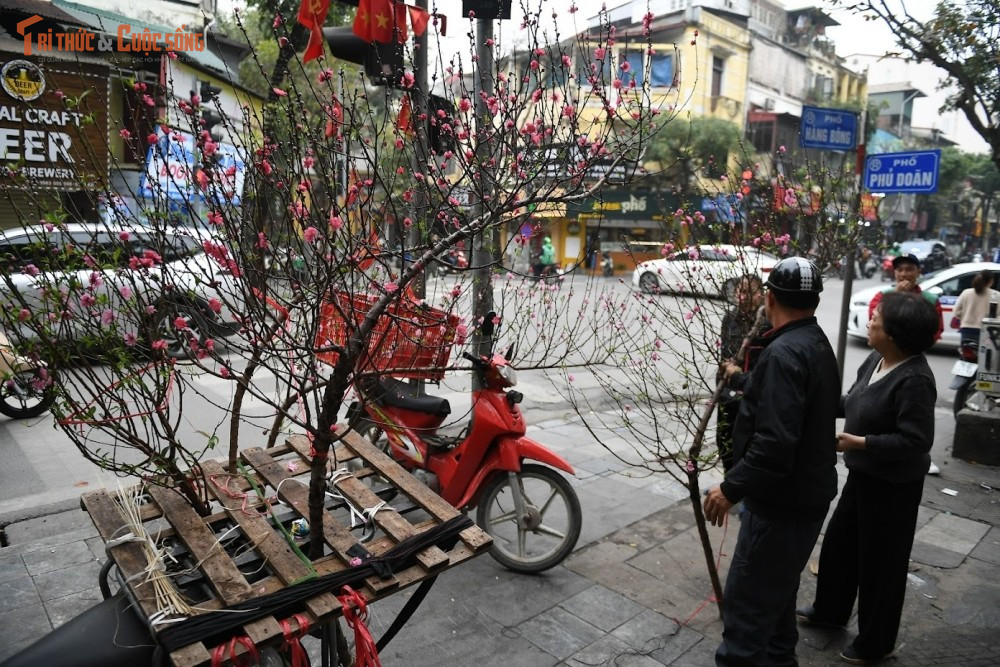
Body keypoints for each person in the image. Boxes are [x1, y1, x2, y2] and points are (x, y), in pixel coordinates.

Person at [703, 257, 840, 667]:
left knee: (745, 619)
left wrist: (730, 488)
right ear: (813, 301)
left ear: (770, 298)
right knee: (777, 605)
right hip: (804, 500)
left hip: (780, 507)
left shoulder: (783, 353)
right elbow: (785, 397)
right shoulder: (814, 343)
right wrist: (740, 378)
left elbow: (775, 444)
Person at [796, 291, 939, 665]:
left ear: (895, 333)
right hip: (863, 476)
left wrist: (858, 442)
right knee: (841, 546)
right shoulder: (876, 359)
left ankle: (877, 642)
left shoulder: (915, 380)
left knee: (881, 566)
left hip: (894, 488)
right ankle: (830, 611)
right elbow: (854, 401)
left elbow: (916, 440)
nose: (871, 319)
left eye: (878, 316)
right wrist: (814, 401)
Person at [868, 252, 943, 474]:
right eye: (900, 269)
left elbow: (936, 331)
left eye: (909, 269)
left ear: (919, 272)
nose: (904, 274)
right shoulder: (883, 295)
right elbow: (872, 321)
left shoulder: (929, 300)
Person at [716, 274, 769, 473]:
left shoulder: (766, 323)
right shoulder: (730, 318)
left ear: (761, 295)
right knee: (724, 441)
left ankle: (743, 488)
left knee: (747, 445)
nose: (743, 296)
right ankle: (728, 481)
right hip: (727, 392)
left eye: (749, 291)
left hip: (751, 394)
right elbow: (723, 353)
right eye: (740, 290)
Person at [952, 269, 998, 343]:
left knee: (967, 352)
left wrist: (965, 316)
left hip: (966, 329)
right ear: (991, 281)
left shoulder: (966, 293)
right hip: (987, 331)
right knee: (984, 354)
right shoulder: (996, 295)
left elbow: (956, 312)